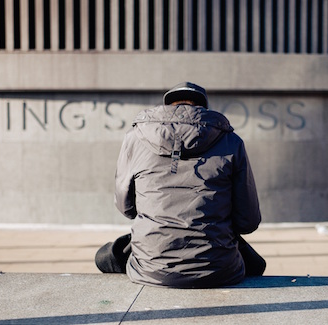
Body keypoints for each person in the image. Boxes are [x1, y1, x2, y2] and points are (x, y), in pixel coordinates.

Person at [95, 82, 266, 288]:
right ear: (202, 109)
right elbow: (248, 221)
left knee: (104, 255)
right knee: (255, 263)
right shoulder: (232, 142)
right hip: (219, 270)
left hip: (151, 268)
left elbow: (127, 208)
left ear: (168, 107)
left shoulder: (135, 139)